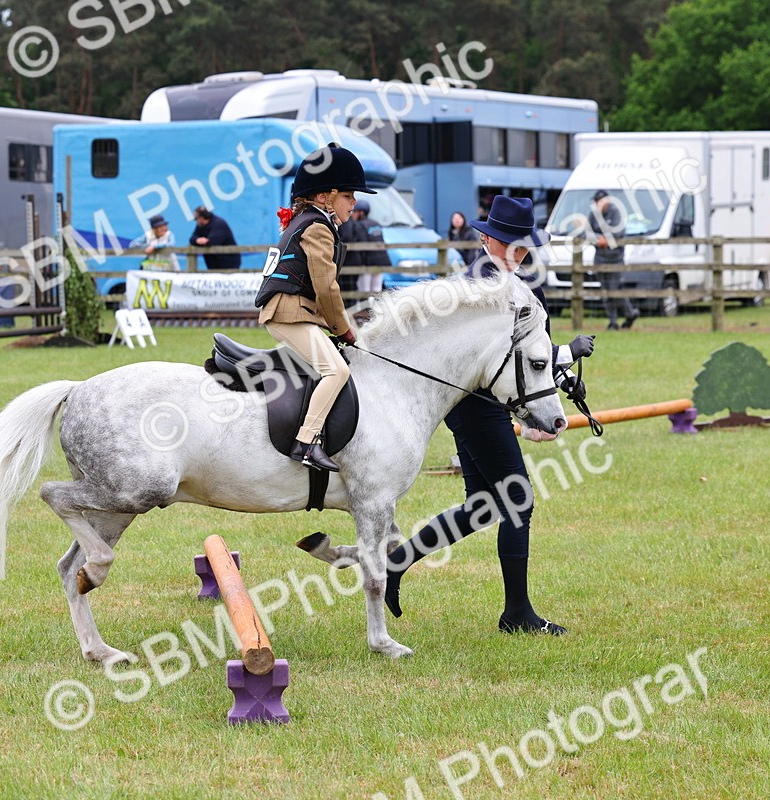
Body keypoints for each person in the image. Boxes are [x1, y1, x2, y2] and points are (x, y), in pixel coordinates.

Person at [382, 194, 596, 635]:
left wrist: (562, 377)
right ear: (486, 239)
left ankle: (397, 562)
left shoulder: (521, 287)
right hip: (474, 405)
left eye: (524, 247)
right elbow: (497, 355)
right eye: (510, 244)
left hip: (491, 402)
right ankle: (517, 614)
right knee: (519, 499)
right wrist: (567, 352)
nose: (519, 254)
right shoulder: (477, 288)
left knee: (482, 506)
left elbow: (528, 358)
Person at [254, 143, 371, 472]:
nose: (354, 202)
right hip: (288, 313)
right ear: (324, 197)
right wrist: (344, 329)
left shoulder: (308, 220)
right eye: (347, 195)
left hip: (292, 311)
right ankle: (306, 442)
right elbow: (326, 287)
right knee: (337, 371)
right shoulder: (318, 227)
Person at [590, 190, 638, 330]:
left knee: (615, 290)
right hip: (600, 258)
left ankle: (629, 313)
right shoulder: (594, 215)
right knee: (605, 292)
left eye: (600, 201)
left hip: (615, 258)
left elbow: (618, 233)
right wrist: (598, 238)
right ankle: (614, 321)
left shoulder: (616, 213)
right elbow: (586, 231)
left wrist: (606, 238)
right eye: (596, 201)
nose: (597, 204)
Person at [338, 199, 391, 300]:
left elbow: (361, 244)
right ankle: (377, 308)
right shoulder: (376, 224)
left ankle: (367, 309)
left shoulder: (360, 225)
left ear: (360, 212)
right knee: (377, 289)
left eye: (354, 212)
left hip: (367, 262)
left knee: (365, 291)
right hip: (381, 262)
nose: (352, 214)